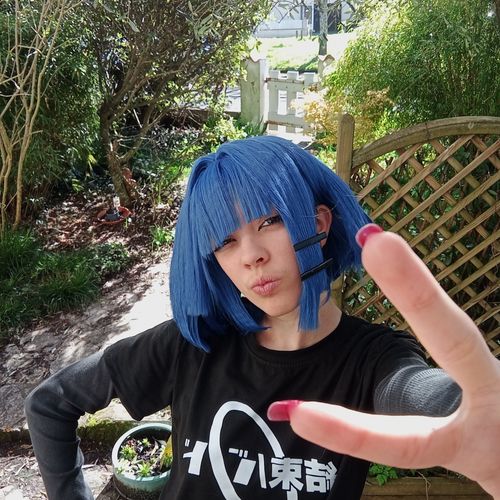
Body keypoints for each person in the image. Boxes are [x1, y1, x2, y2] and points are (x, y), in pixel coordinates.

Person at [24, 135, 500, 500]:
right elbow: (50, 404)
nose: (251, 255)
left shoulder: (373, 363)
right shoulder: (196, 344)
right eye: (225, 241)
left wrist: (471, 414)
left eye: (270, 221)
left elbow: (425, 394)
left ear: (318, 224)